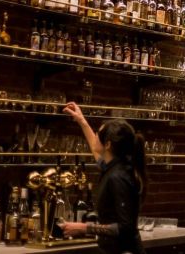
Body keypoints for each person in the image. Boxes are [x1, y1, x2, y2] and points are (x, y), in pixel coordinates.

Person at [60, 102, 147, 254]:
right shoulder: (114, 167)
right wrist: (81, 121)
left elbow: (126, 228)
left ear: (107, 144)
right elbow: (97, 153)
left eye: (99, 135)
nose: (95, 138)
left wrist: (83, 227)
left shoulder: (118, 176)